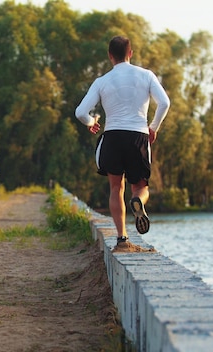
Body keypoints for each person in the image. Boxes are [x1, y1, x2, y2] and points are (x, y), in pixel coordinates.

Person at [75, 35, 170, 244]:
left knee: (116, 188)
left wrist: (91, 123)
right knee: (141, 187)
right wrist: (153, 127)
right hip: (138, 135)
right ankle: (138, 201)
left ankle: (121, 237)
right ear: (130, 53)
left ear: (110, 56)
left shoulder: (102, 81)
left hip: (113, 136)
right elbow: (164, 103)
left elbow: (80, 112)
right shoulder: (146, 76)